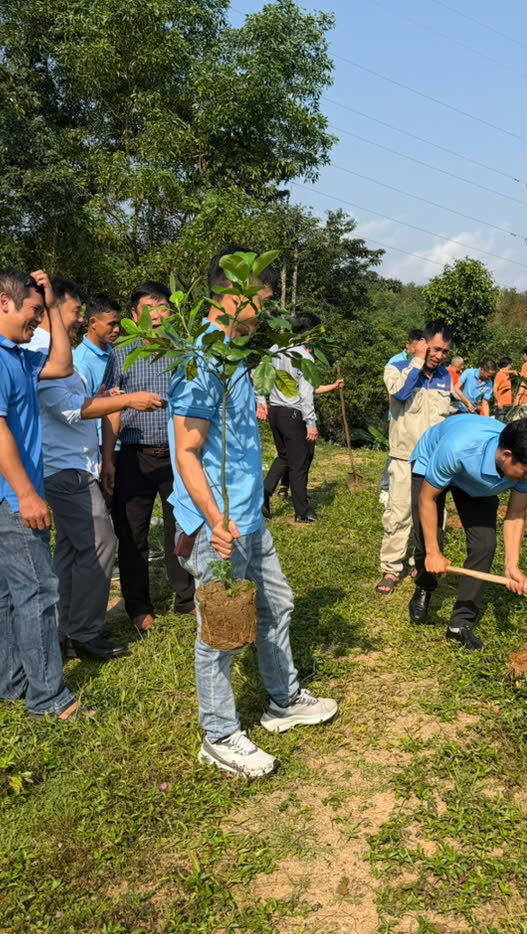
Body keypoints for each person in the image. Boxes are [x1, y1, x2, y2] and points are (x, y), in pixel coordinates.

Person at [169, 246, 339, 778]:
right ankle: (219, 735)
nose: (264, 312)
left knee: (278, 604)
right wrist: (213, 520)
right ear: (232, 295)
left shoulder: (239, 358)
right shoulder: (201, 361)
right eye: (260, 301)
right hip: (219, 524)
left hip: (248, 515)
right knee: (220, 631)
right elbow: (187, 452)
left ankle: (283, 699)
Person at [0, 269, 82, 720]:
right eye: (33, 310)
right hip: (7, 501)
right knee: (38, 592)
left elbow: (63, 365)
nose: (37, 320)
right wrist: (27, 495)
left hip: (7, 498)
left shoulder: (14, 354)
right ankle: (48, 698)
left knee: (9, 593)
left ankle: (10, 682)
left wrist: (52, 306)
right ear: (4, 302)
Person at [38, 339, 162, 661]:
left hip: (79, 465)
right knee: (100, 544)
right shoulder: (43, 354)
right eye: (76, 314)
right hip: (65, 468)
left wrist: (105, 401)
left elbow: (80, 404)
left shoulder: (62, 356)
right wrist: (128, 400)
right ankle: (84, 633)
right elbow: (71, 409)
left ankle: (67, 628)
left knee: (70, 549)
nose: (80, 318)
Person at [407, 417, 527, 650]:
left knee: (484, 545)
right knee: (427, 538)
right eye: (526, 472)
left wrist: (512, 565)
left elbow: (516, 514)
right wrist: (433, 552)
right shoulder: (457, 448)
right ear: (506, 455)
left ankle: (460, 624)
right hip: (435, 459)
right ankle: (424, 585)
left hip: (475, 479)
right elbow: (427, 499)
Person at [100, 281, 195, 634]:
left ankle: (186, 599)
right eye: (148, 310)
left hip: (178, 457)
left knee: (181, 527)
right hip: (134, 457)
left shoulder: (184, 351)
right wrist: (108, 459)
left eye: (162, 308)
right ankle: (139, 607)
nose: (156, 317)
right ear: (134, 316)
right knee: (132, 534)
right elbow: (112, 408)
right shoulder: (121, 353)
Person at [376, 322, 456, 595]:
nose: (440, 356)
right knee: (399, 514)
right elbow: (400, 393)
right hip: (404, 457)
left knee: (432, 516)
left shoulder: (446, 376)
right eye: (435, 349)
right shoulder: (397, 368)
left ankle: (420, 564)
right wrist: (418, 362)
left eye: (445, 351)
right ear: (422, 345)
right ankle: (391, 569)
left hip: (434, 462)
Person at [260, 312, 345, 524]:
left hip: (275, 411)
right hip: (293, 413)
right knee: (299, 463)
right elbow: (306, 394)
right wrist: (311, 423)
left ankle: (263, 496)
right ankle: (302, 511)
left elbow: (259, 374)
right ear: (310, 334)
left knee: (284, 457)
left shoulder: (275, 349)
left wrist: (261, 400)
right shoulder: (304, 357)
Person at [381, 329, 427, 505]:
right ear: (408, 346)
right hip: (398, 414)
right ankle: (386, 488)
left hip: (415, 417)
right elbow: (393, 391)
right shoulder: (396, 362)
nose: (417, 350)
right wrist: (394, 413)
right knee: (396, 455)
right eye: (415, 346)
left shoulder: (426, 363)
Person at [73, 294, 121, 442]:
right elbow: (81, 410)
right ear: (93, 322)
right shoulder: (81, 362)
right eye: (111, 324)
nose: (117, 329)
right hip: (99, 443)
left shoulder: (115, 353)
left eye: (118, 324)